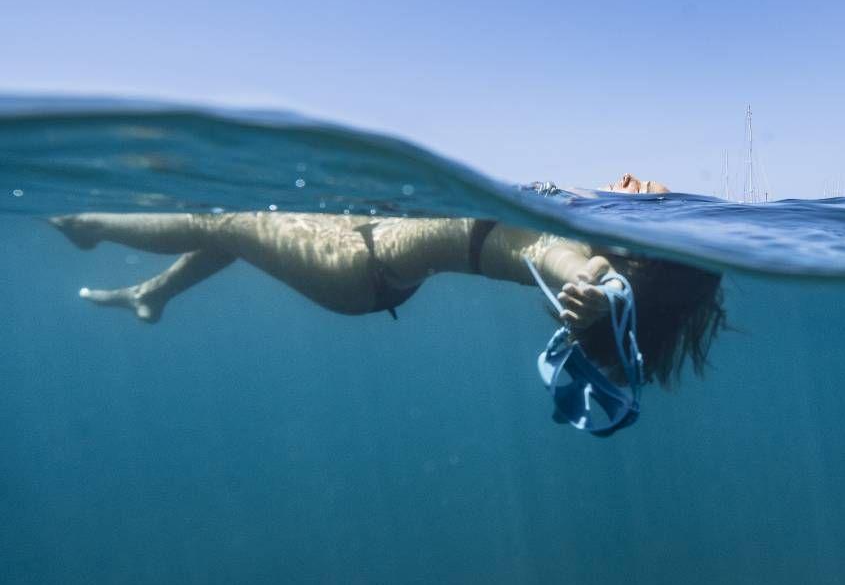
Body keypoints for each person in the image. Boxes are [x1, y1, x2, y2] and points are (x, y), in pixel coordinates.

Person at [50, 174, 724, 387]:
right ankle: (153, 292)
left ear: (645, 263)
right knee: (255, 228)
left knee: (224, 221)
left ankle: (91, 224)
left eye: (655, 200)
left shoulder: (580, 255)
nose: (642, 184)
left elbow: (560, 260)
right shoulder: (581, 219)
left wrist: (596, 285)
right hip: (372, 254)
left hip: (353, 271)